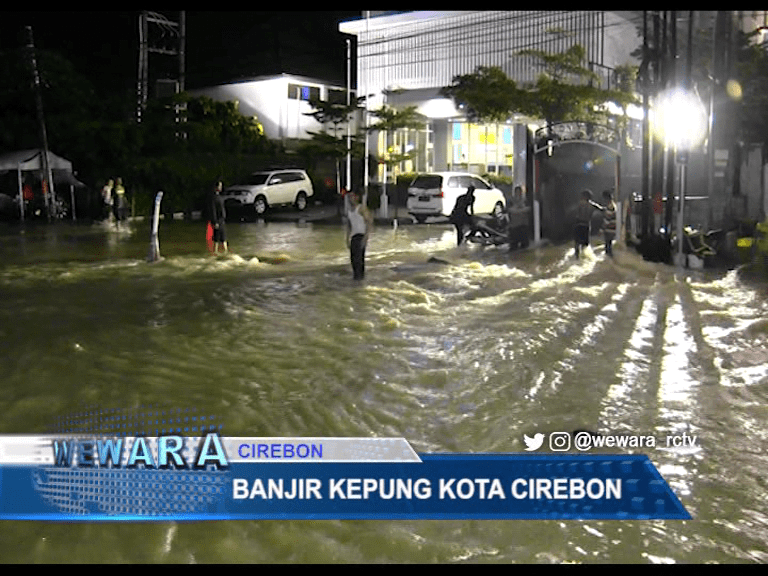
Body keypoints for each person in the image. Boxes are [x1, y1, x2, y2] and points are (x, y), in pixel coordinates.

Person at [345, 190, 373, 280]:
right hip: (353, 237)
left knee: (359, 260)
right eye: (349, 197)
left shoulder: (361, 208)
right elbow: (349, 225)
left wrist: (366, 237)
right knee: (353, 259)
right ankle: (356, 278)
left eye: (352, 196)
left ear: (357, 197)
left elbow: (369, 222)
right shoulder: (350, 210)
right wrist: (347, 238)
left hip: (361, 236)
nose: (351, 199)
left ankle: (360, 278)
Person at [572, 189, 602, 259]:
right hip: (586, 225)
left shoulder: (579, 204)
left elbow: (575, 213)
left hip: (578, 224)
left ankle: (577, 257)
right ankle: (583, 257)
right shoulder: (592, 205)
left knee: (577, 242)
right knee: (584, 244)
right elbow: (601, 209)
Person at [507, 185, 531, 251]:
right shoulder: (511, 200)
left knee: (525, 246)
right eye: (517, 192)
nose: (518, 193)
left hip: (523, 225)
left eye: (519, 192)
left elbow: (528, 208)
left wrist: (517, 210)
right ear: (514, 192)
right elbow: (510, 210)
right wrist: (520, 209)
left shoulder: (525, 200)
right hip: (514, 226)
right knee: (513, 246)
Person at [207, 181, 228, 254]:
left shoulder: (220, 197)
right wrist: (215, 222)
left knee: (223, 237)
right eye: (219, 186)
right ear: (216, 187)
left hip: (222, 220)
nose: (221, 187)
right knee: (217, 237)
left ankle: (225, 252)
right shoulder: (214, 198)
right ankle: (215, 252)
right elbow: (213, 210)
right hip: (218, 220)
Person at [596, 189, 617, 257]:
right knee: (609, 245)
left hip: (609, 229)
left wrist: (601, 230)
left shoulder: (610, 206)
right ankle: (610, 262)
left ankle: (610, 261)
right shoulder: (612, 205)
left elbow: (607, 220)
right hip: (612, 229)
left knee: (608, 247)